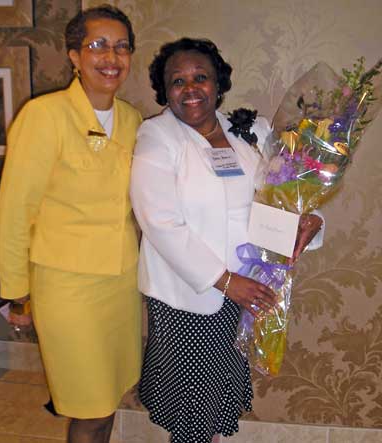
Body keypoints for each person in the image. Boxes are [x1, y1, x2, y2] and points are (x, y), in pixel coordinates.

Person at [130, 37, 323, 443]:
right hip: (189, 297)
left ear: (218, 83)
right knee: (191, 411)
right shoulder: (158, 137)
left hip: (249, 287)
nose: (190, 88)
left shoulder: (250, 132)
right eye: (177, 81)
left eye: (200, 77)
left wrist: (312, 220)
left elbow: (287, 192)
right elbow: (160, 222)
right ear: (165, 91)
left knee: (215, 399)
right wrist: (225, 281)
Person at [0, 5, 142, 443]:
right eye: (97, 45)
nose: (110, 57)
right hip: (68, 288)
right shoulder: (44, 116)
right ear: (74, 55)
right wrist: (17, 292)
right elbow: (14, 210)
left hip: (121, 284)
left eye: (121, 46)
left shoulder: (133, 119)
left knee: (108, 397)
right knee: (88, 407)